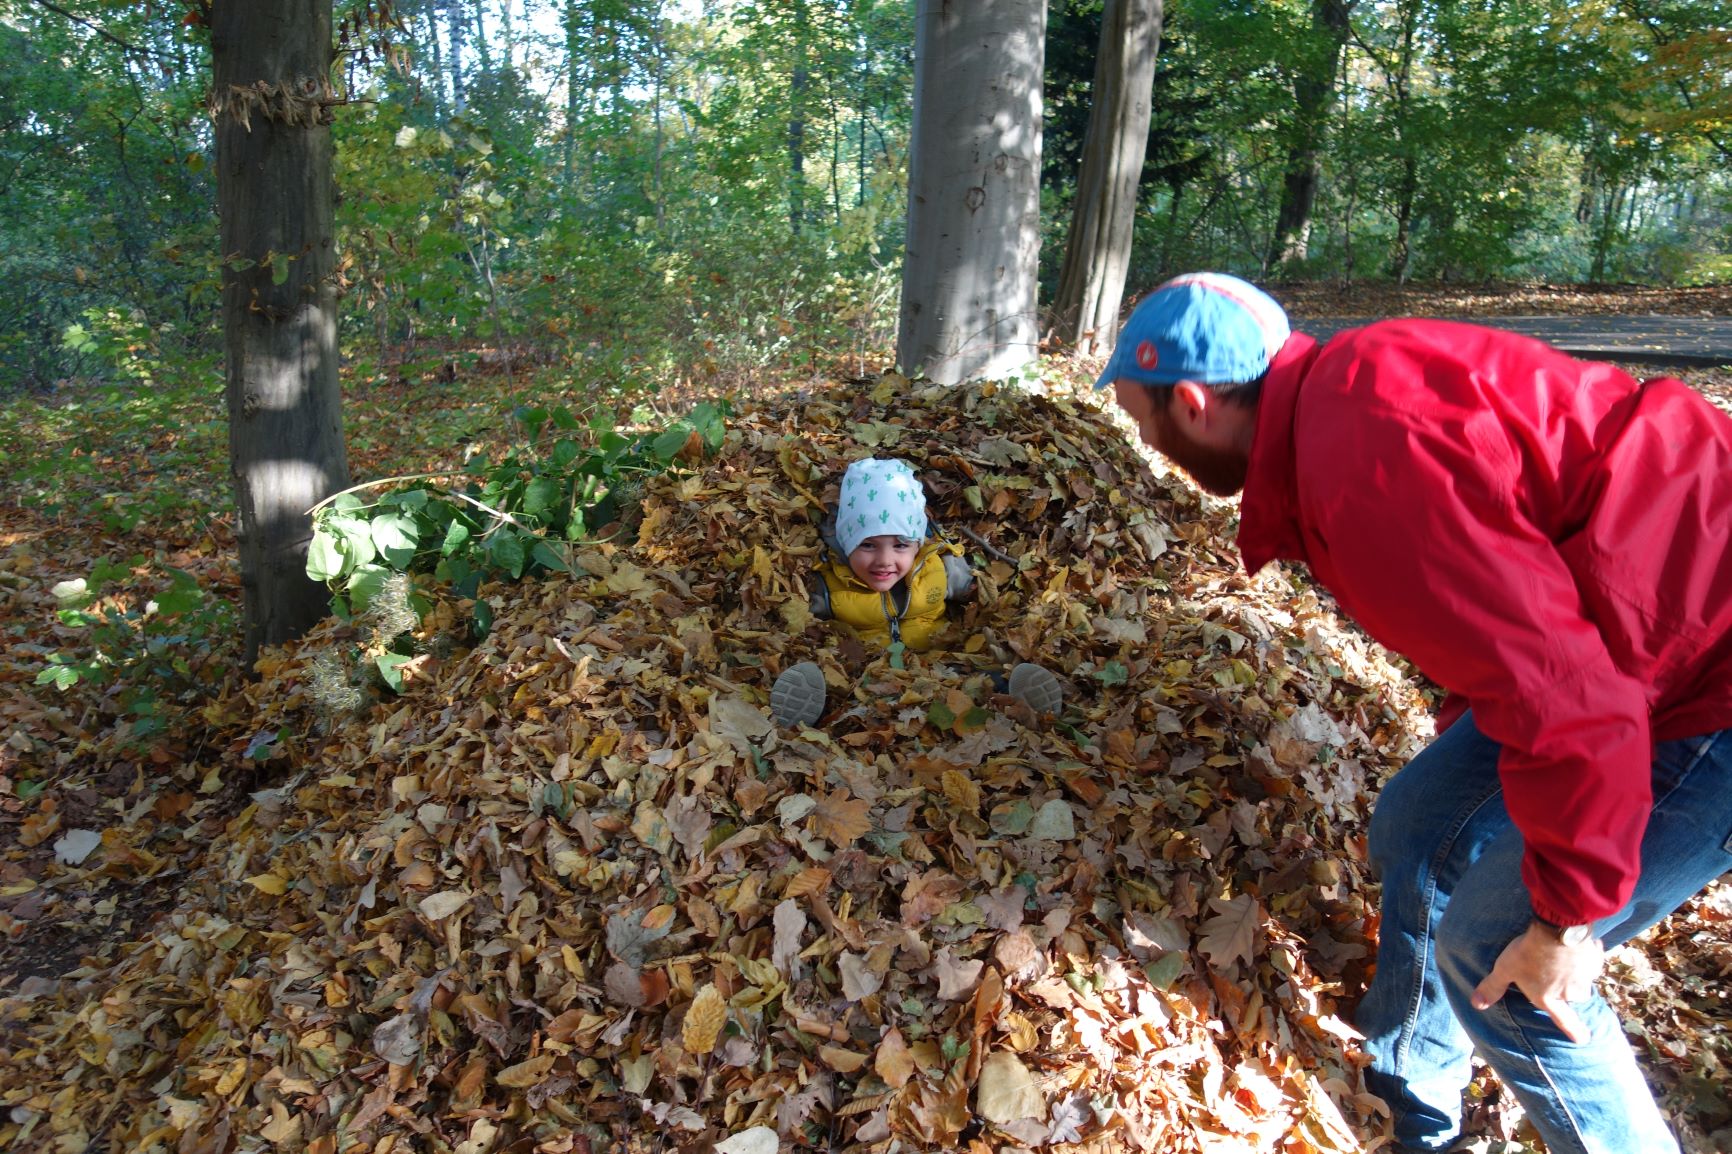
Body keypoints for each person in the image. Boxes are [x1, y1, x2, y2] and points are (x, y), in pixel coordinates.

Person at [1095, 272, 1732, 1154]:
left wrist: (1562, 921)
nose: (1146, 443)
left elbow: (1579, 711)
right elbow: (1517, 581)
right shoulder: (1345, 390)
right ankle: (1414, 1106)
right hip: (1630, 634)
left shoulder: (1361, 472)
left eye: (1141, 421)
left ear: (1196, 404)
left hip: (1705, 674)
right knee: (1424, 823)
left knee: (1507, 962)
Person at [770, 456, 1063, 727]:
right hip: (866, 676)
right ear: (847, 543)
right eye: (868, 545)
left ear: (918, 543)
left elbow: (978, 597)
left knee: (980, 679)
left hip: (938, 668)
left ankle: (1019, 703)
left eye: (900, 545)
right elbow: (803, 627)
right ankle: (807, 711)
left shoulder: (940, 568)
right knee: (836, 685)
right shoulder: (829, 582)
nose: (884, 560)